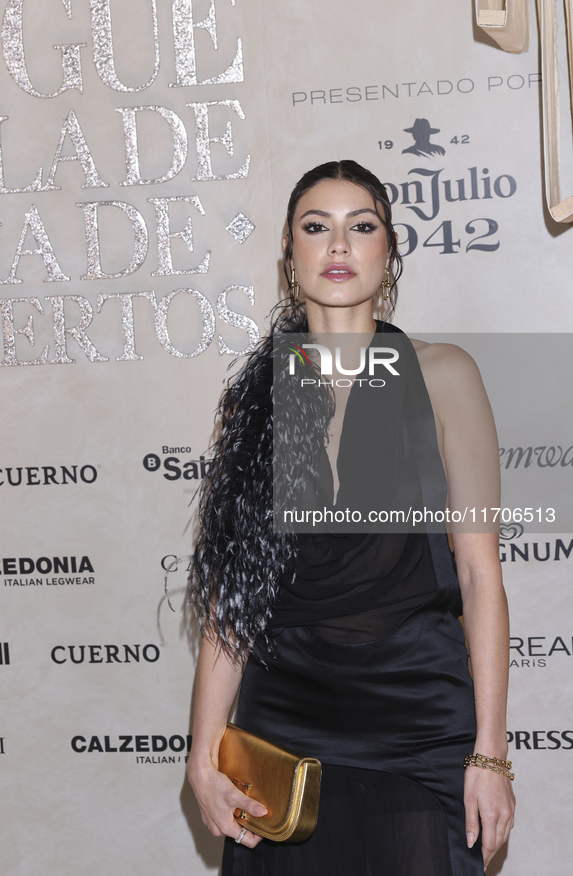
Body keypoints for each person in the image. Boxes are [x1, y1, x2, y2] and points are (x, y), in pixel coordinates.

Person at [186, 160, 515, 876]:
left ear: (388, 249)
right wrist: (202, 748)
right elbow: (232, 599)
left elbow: (478, 574)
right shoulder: (257, 398)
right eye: (316, 227)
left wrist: (489, 753)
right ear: (288, 249)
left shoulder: (444, 375)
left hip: (416, 719)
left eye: (359, 227)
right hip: (285, 726)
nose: (337, 247)